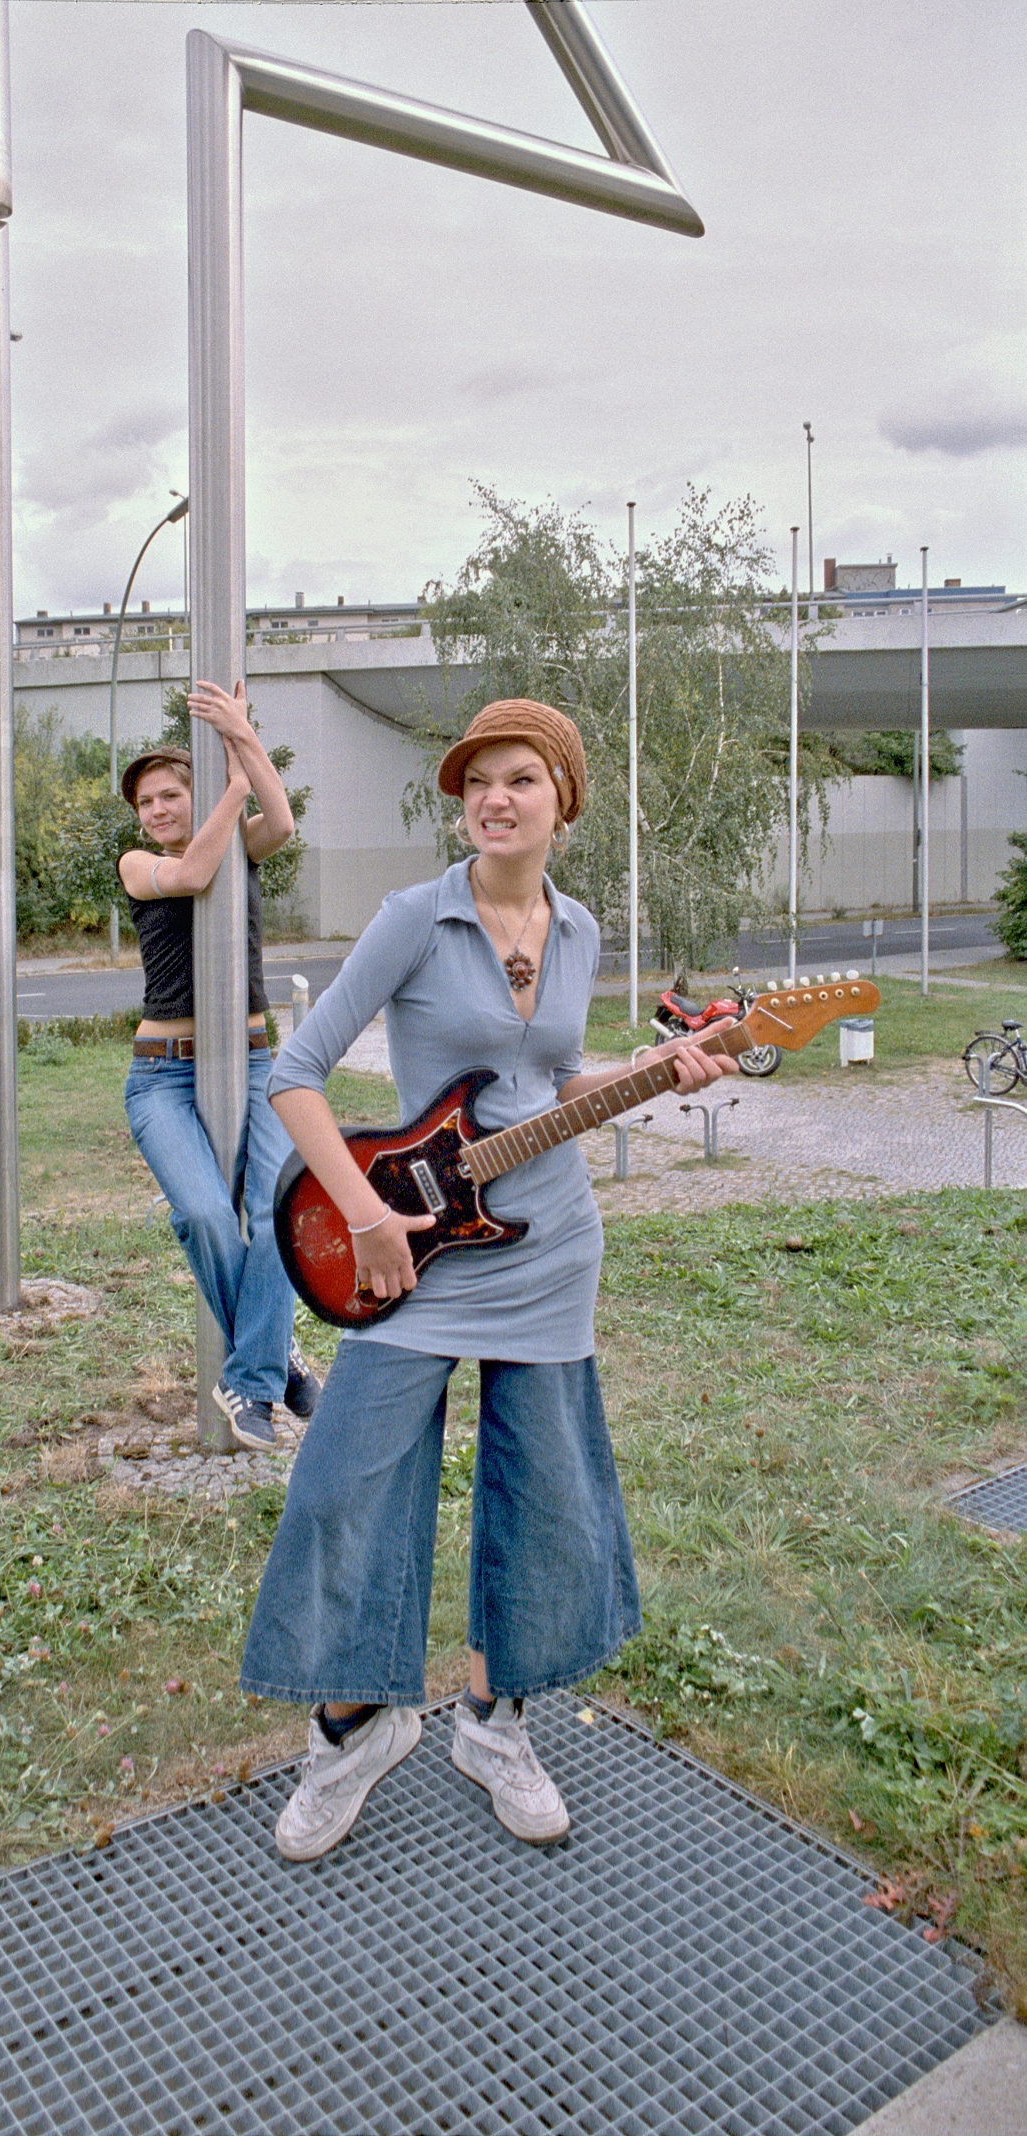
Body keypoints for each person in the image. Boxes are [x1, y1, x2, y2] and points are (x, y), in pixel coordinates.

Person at [240, 698, 738, 1861]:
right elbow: (296, 1076)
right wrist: (368, 1219)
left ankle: (493, 1721)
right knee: (343, 1483)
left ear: (564, 798)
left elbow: (549, 1087)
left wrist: (650, 1072)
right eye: (477, 781)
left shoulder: (580, 930)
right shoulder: (415, 918)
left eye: (519, 779)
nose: (493, 799)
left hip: (548, 1242)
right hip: (412, 1248)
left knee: (544, 1490)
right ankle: (355, 1729)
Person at [118, 678, 322, 1450]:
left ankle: (253, 1379)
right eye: (146, 802)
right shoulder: (138, 864)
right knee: (204, 1215)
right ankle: (276, 1359)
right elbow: (190, 876)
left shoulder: (241, 848)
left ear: (196, 794)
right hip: (163, 1076)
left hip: (257, 1063)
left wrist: (241, 735)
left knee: (276, 1218)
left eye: (171, 795)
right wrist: (232, 786)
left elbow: (283, 819)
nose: (157, 810)